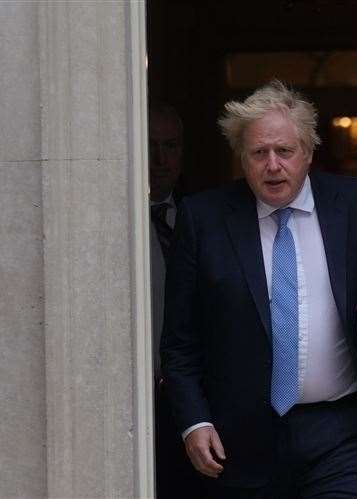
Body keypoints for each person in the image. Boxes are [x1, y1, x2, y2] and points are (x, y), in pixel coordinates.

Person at [160, 80, 357, 498]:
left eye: (284, 151)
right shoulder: (204, 219)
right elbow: (180, 341)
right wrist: (195, 421)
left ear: (308, 153)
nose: (272, 165)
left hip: (341, 432)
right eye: (258, 153)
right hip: (240, 438)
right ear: (240, 158)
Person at [148, 103, 206, 498]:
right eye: (149, 145)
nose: (159, 158)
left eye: (170, 145)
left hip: (198, 398)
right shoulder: (108, 219)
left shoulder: (202, 217)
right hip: (137, 394)